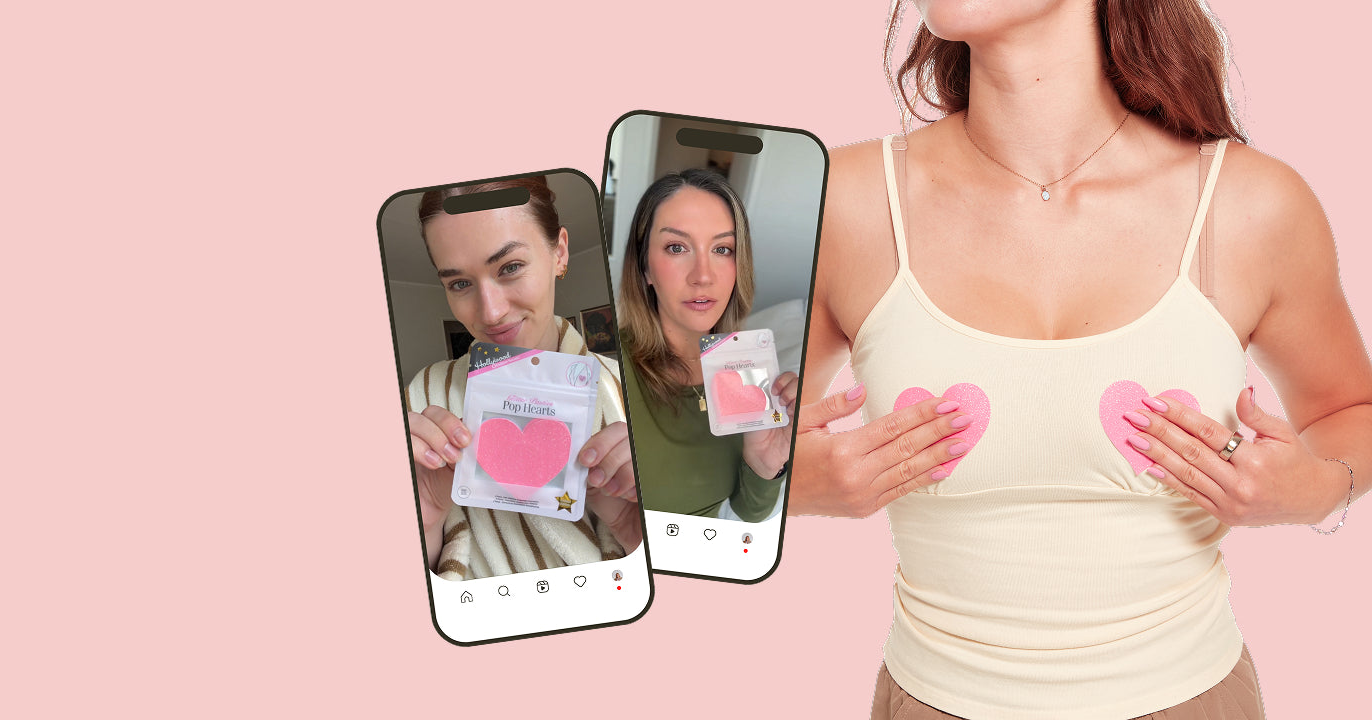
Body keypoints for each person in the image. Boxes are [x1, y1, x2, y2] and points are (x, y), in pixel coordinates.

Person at [795, 2, 1372, 718]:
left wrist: (1320, 489)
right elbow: (704, 439)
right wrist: (784, 487)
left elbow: (1353, 411)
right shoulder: (841, 201)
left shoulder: (1251, 205)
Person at [402, 176, 643, 580]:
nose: (491, 312)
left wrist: (638, 535)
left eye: (510, 267)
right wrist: (425, 522)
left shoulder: (630, 391)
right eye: (459, 283)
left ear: (559, 252)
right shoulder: (422, 397)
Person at [614, 169, 795, 521]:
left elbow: (750, 512)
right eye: (677, 247)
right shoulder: (609, 371)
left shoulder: (752, 374)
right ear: (645, 267)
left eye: (722, 249)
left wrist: (764, 463)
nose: (703, 275)